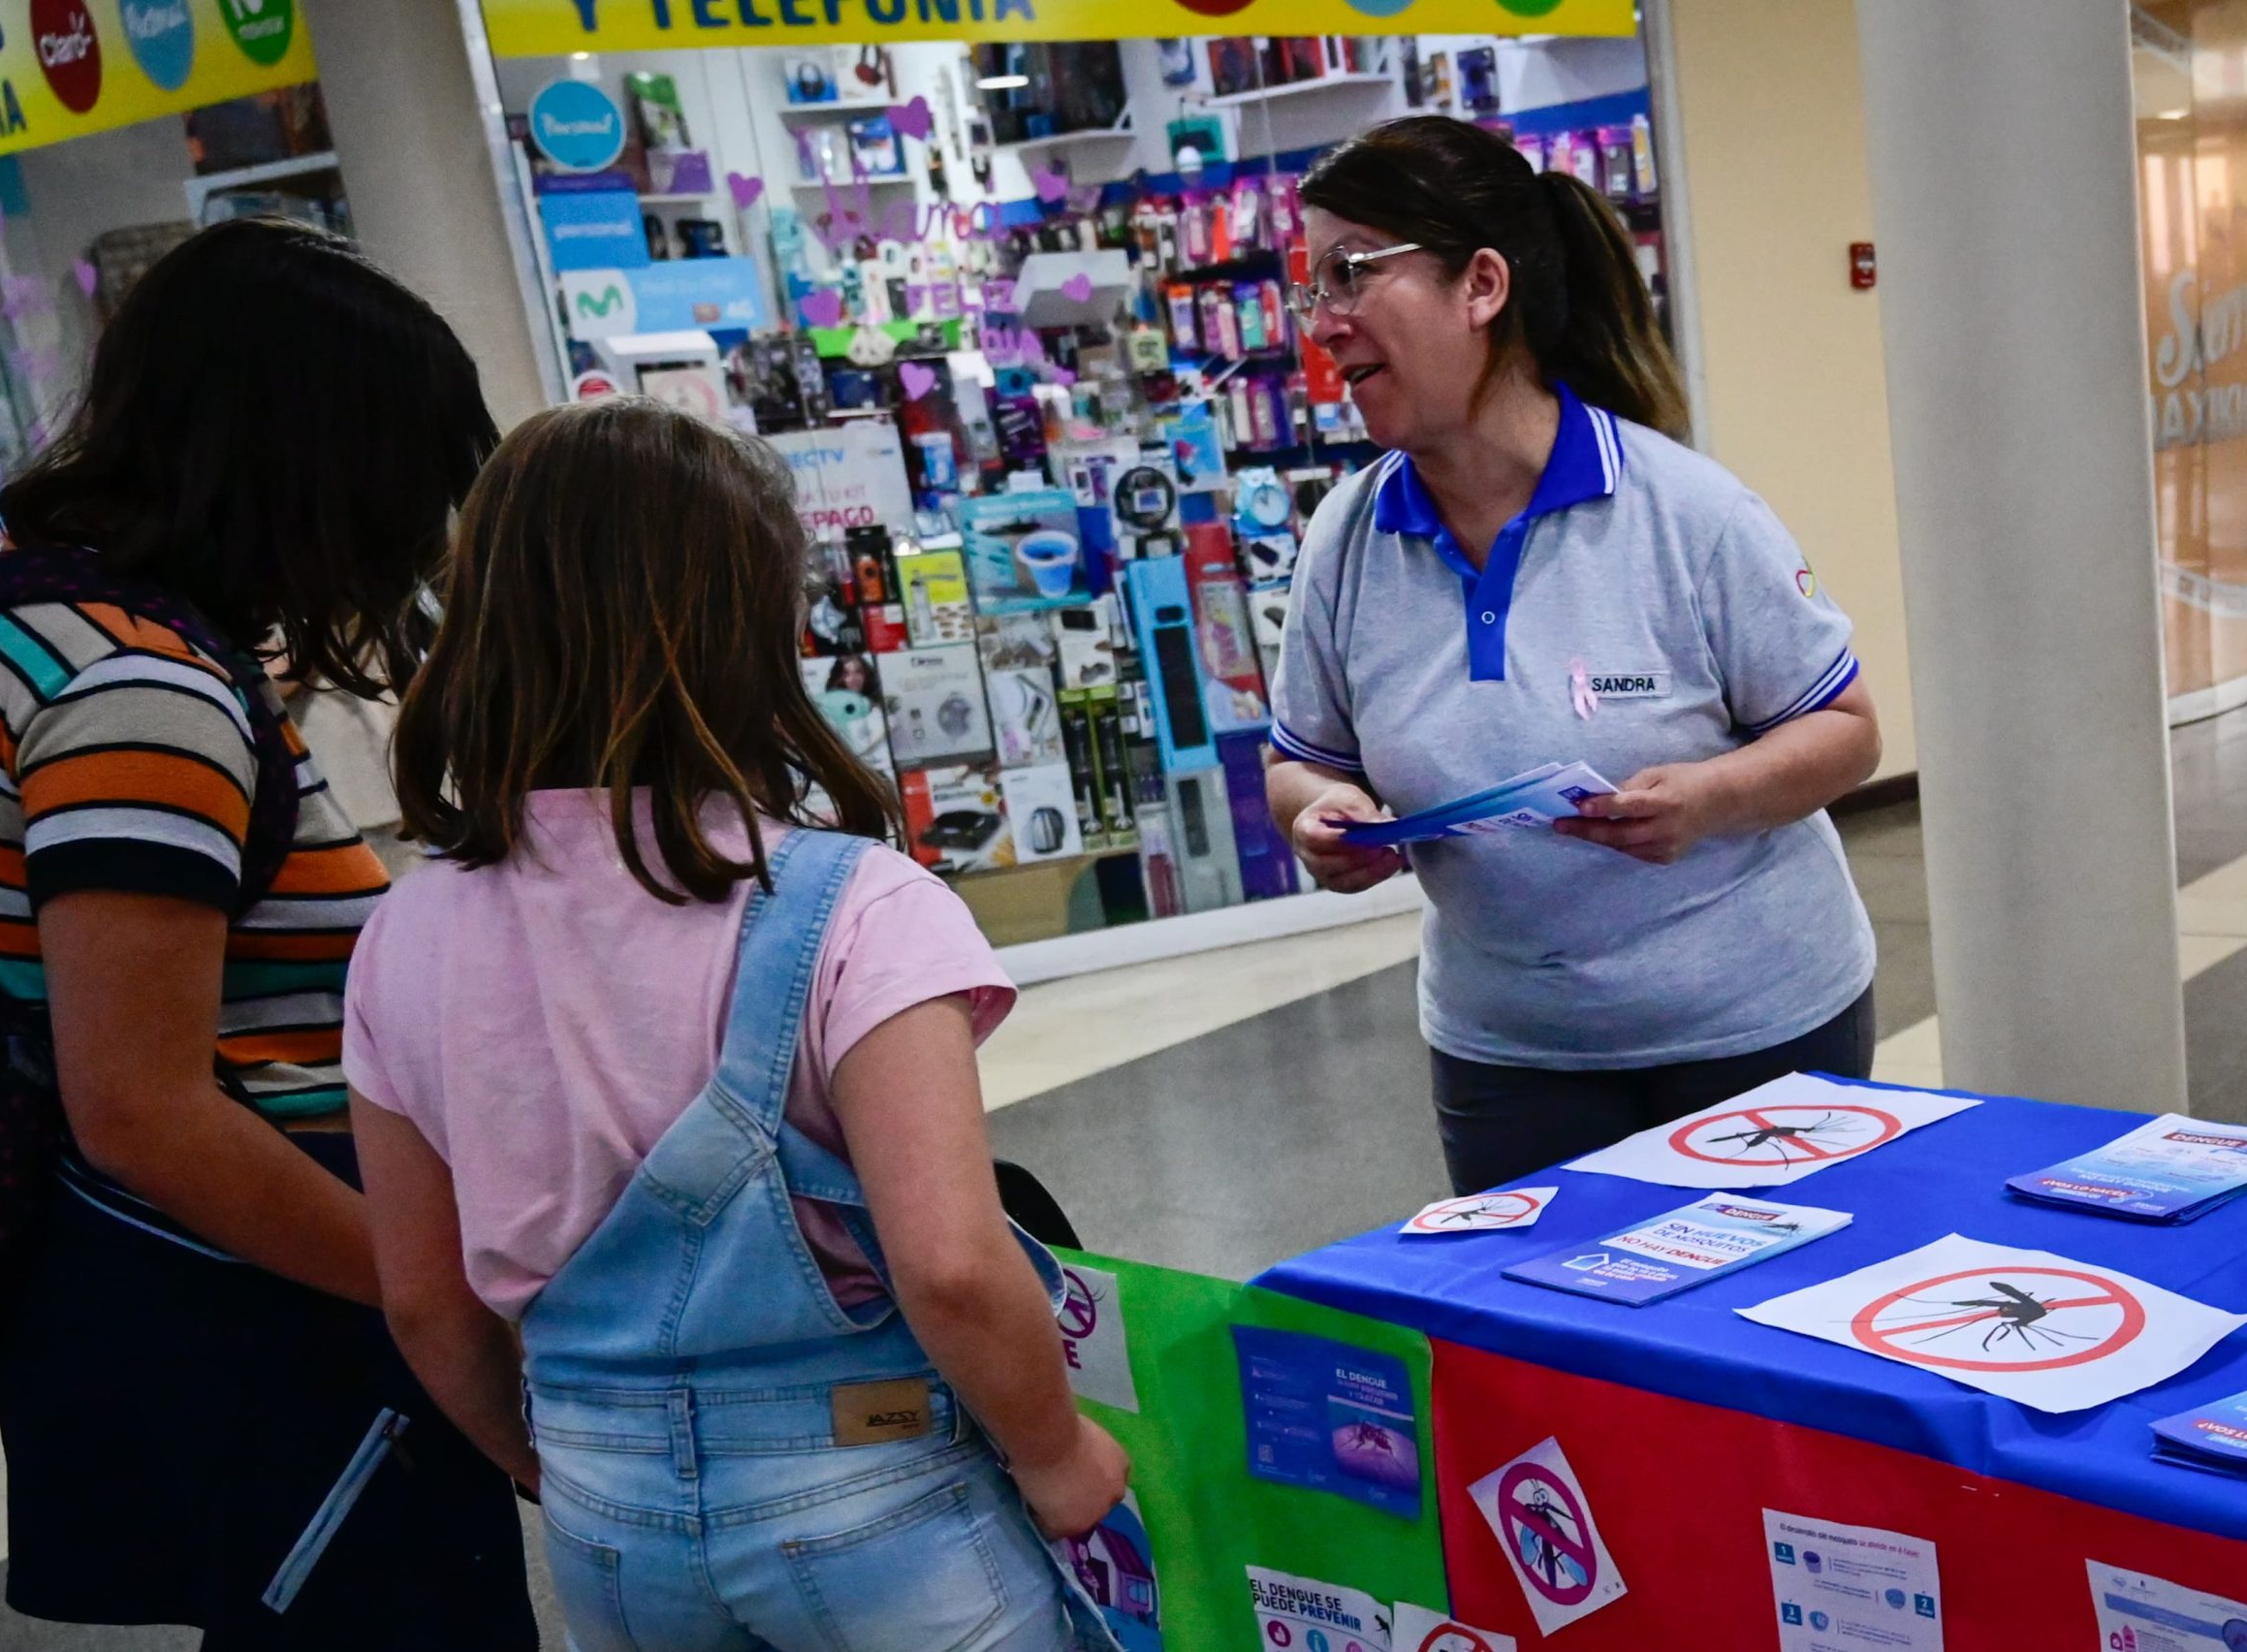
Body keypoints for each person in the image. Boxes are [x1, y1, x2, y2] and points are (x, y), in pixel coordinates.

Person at [347, 397, 1128, 1651]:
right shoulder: (855, 908)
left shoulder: (402, 937)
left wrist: (575, 1475)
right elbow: (951, 1266)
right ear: (749, 627)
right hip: (876, 1493)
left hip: (609, 1518)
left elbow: (426, 1305)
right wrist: (1056, 1454)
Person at [0, 219, 533, 1648]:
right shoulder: (140, 694)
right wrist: (430, 1300)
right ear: (311, 460)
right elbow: (142, 1108)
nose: (416, 535)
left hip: (240, 1308)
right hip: (269, 1325)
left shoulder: (66, 637)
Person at [1266, 117, 1883, 1194]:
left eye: (1351, 274)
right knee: (1551, 1351)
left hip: (1752, 1033)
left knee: (1738, 1345)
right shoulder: (1347, 538)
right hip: (1509, 1051)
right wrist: (1319, 814)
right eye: (1311, 290)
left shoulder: (1686, 512)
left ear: (1482, 285)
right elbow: (1300, 757)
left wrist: (1709, 797)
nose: (1323, 323)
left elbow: (1845, 732)